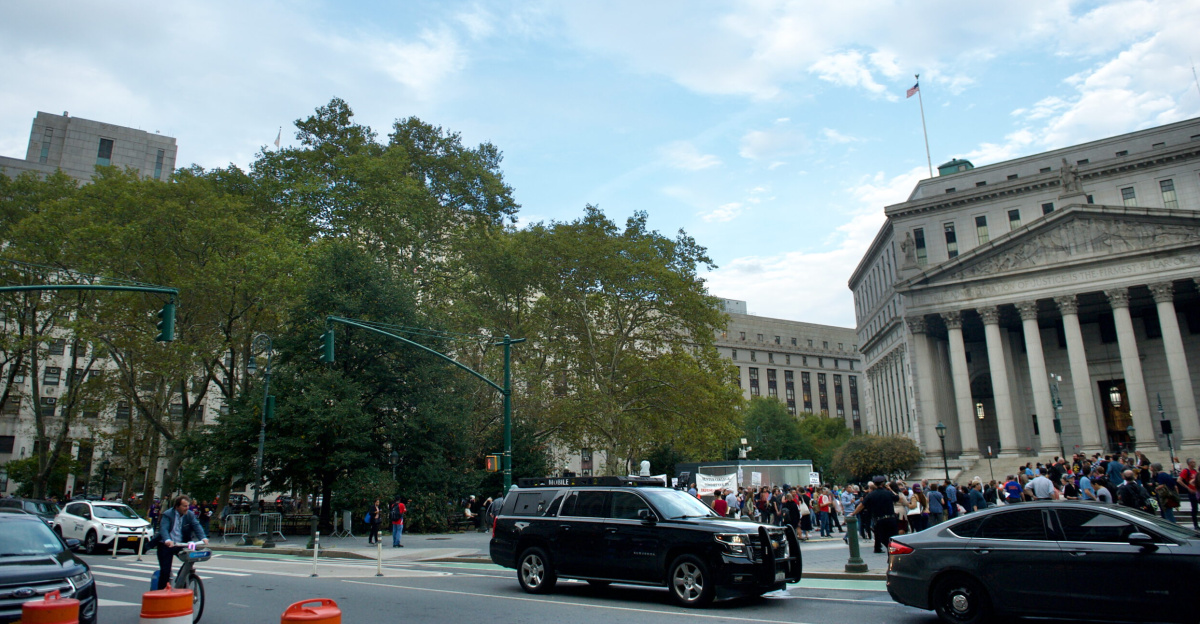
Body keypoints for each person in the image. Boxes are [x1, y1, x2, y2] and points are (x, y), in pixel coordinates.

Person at [155, 495, 208, 590]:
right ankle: (161, 594)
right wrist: (167, 540)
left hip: (180, 544)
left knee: (190, 559)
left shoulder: (190, 515)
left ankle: (181, 578)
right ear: (177, 506)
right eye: (184, 506)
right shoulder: (168, 514)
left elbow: (196, 526)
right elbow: (164, 528)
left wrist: (203, 538)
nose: (187, 508)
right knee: (165, 572)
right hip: (167, 545)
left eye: (188, 505)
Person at [856, 477, 899, 554]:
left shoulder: (871, 495)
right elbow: (897, 497)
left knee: (882, 537)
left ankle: (889, 549)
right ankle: (893, 551)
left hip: (879, 520)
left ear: (874, 484)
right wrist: (890, 489)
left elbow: (861, 505)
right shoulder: (888, 493)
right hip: (891, 519)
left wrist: (853, 513)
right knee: (893, 537)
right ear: (883, 483)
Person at [1179, 459, 1198, 529]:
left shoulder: (1195, 471)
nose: (1194, 463)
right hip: (1192, 492)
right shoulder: (1186, 471)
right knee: (1194, 508)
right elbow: (1179, 480)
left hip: (1197, 491)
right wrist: (1188, 488)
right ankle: (1195, 524)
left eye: (1194, 462)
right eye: (1192, 462)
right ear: (1189, 463)